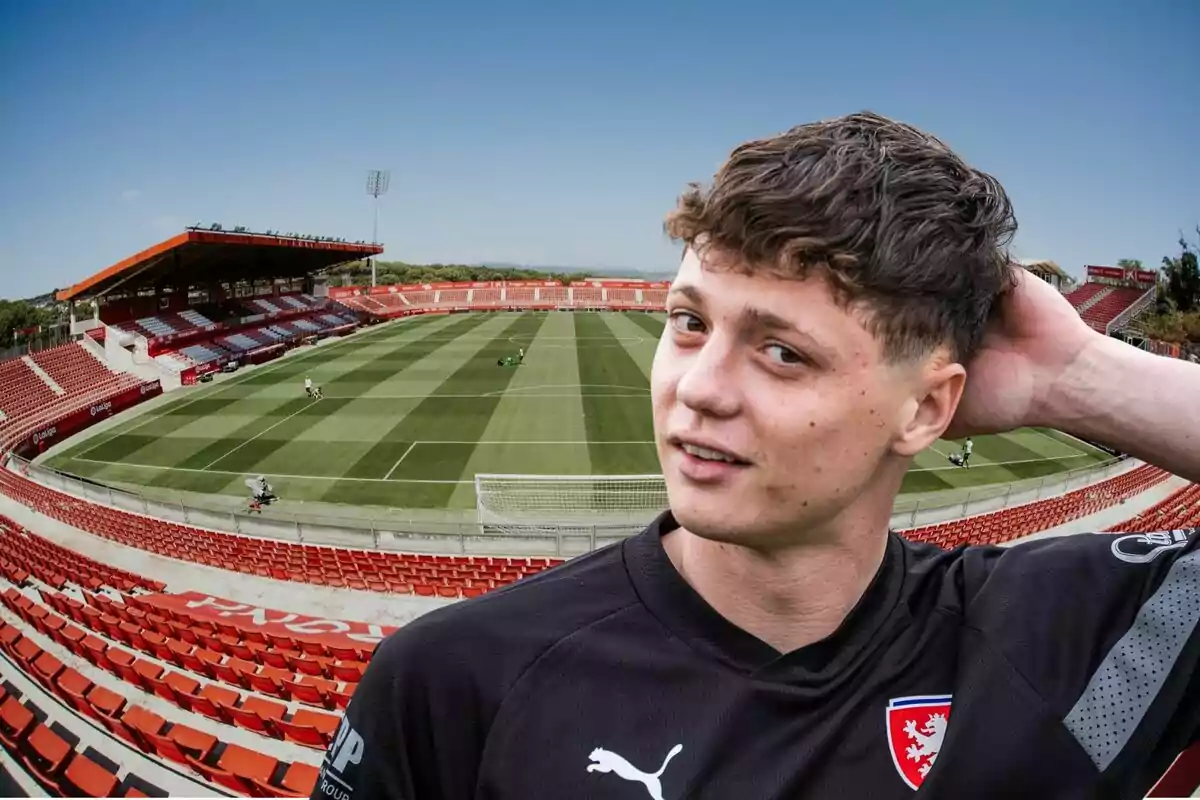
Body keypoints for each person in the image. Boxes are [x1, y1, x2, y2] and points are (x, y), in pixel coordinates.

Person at [313, 112, 1200, 799]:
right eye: (690, 323)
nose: (699, 389)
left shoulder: (1056, 642)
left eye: (783, 352)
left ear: (929, 406)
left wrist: (1077, 377)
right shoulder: (453, 680)